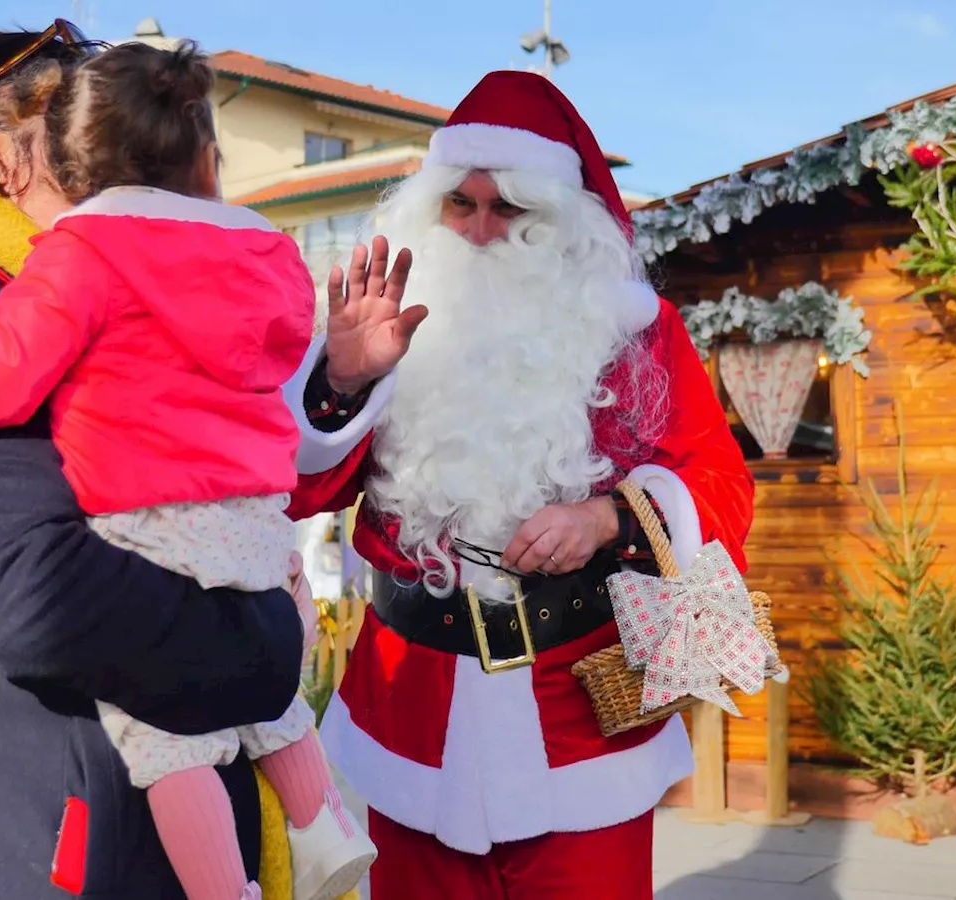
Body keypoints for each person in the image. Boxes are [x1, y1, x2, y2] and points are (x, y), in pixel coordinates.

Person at [0, 39, 374, 900]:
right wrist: (268, 638)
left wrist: (338, 383)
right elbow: (31, 592)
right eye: (80, 122)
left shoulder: (79, 282)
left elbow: (212, 453)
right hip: (7, 852)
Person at [283, 71, 755, 898]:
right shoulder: (385, 328)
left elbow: (720, 483)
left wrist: (610, 517)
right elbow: (295, 494)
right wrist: (341, 383)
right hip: (411, 711)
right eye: (458, 206)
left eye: (509, 208)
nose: (479, 229)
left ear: (559, 218)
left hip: (579, 715)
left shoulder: (636, 334)